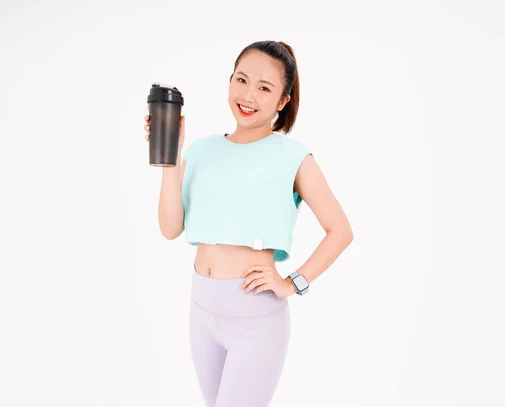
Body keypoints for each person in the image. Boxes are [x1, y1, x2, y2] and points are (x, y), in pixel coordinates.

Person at [144, 40, 353, 407]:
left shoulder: (293, 156)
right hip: (201, 311)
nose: (248, 95)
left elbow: (341, 231)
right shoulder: (201, 150)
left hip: (256, 320)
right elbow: (170, 227)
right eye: (241, 80)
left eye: (264, 88)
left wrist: (293, 283)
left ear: (283, 101)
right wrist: (171, 157)